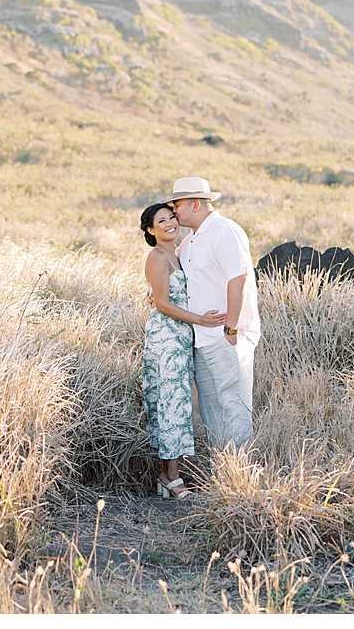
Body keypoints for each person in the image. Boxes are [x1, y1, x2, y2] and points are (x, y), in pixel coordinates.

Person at [166, 177, 261, 450]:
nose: (174, 211)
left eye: (178, 205)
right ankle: (222, 472)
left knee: (234, 404)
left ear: (196, 204)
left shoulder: (224, 230)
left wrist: (231, 328)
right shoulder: (190, 241)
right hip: (201, 338)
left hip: (227, 335)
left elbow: (239, 278)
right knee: (211, 412)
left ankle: (241, 472)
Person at [139, 201, 226, 499]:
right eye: (161, 221)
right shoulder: (158, 257)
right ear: (151, 230)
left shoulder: (177, 255)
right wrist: (200, 319)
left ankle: (168, 474)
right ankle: (171, 478)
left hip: (181, 337)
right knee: (171, 403)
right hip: (166, 338)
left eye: (172, 217)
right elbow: (162, 304)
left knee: (177, 402)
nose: (169, 223)